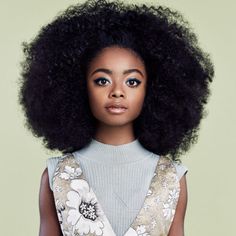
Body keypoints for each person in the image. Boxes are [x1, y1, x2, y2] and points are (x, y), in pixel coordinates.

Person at [18, 0, 214, 235]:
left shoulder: (172, 178)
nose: (117, 91)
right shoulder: (56, 176)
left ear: (152, 89)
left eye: (132, 81)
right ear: (79, 86)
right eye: (102, 80)